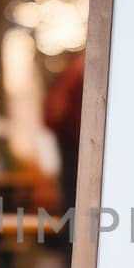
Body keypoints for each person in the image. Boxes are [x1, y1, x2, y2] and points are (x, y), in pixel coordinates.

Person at [43, 50, 85, 215]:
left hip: (71, 139)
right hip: (75, 141)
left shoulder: (75, 67)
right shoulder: (83, 66)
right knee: (74, 198)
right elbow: (56, 113)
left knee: (71, 198)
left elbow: (53, 114)